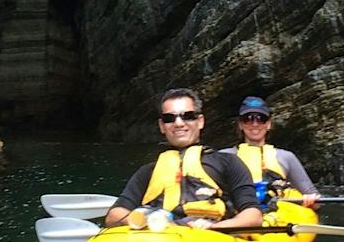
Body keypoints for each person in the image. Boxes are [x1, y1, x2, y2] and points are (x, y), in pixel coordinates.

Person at [104, 89, 264, 231]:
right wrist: (144, 221)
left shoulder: (228, 163)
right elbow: (114, 216)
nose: (179, 123)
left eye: (188, 116)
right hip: (157, 235)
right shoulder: (148, 172)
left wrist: (214, 227)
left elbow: (253, 215)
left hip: (209, 236)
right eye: (169, 118)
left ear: (200, 121)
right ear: (162, 126)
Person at [224, 96, 321, 210]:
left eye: (261, 119)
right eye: (248, 119)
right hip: (241, 214)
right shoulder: (225, 156)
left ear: (268, 124)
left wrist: (310, 199)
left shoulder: (286, 157)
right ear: (240, 124)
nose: (255, 124)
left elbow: (316, 200)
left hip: (278, 217)